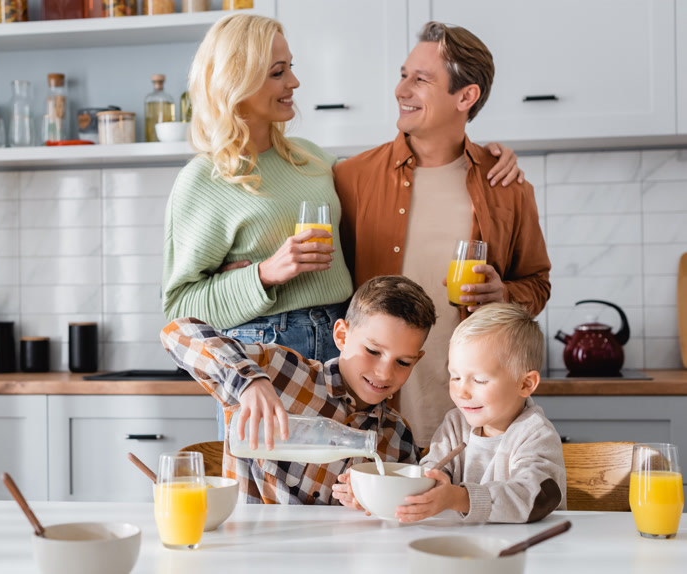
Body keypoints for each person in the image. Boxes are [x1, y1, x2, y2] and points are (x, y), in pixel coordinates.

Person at [162, 14, 523, 439]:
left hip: (345, 347)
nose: (294, 82)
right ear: (237, 82)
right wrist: (265, 273)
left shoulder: (313, 160)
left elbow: (394, 172)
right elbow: (179, 312)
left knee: (345, 491)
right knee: (273, 495)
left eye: (291, 67)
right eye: (279, 72)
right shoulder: (204, 180)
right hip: (266, 356)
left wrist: (486, 155)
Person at [333, 22, 552, 447]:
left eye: (420, 79)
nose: (401, 90)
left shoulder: (506, 185)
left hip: (475, 416)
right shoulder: (351, 177)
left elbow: (538, 284)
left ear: (465, 97)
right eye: (402, 75)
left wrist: (503, 295)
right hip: (373, 414)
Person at [160, 275, 436, 504]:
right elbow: (177, 332)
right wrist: (249, 382)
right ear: (341, 335)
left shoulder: (397, 439)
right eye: (373, 351)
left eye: (403, 362)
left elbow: (396, 523)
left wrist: (369, 506)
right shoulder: (279, 372)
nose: (384, 373)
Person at [336, 304, 566, 523]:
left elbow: (536, 496)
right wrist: (377, 496)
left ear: (526, 384)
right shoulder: (456, 424)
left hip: (527, 553)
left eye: (479, 380)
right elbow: (430, 476)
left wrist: (458, 498)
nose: (461, 392)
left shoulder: (535, 434)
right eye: (455, 377)